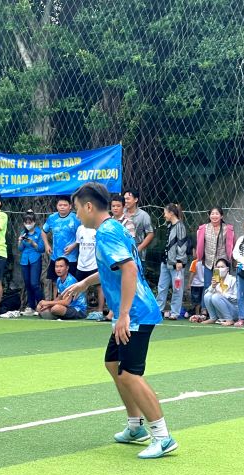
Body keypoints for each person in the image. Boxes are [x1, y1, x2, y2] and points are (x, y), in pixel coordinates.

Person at [64, 182, 176, 459]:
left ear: (89, 207)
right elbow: (112, 268)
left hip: (136, 314)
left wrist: (123, 314)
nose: (77, 214)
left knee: (130, 374)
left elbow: (128, 270)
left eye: (78, 209)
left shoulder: (107, 233)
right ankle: (135, 427)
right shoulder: (112, 228)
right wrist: (84, 284)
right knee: (113, 364)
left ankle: (162, 437)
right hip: (131, 312)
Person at [155, 203, 189, 320]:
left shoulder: (180, 226)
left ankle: (175, 312)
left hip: (176, 263)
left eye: (165, 212)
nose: (164, 215)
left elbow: (182, 244)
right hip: (166, 261)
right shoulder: (170, 226)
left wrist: (180, 260)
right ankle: (158, 310)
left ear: (171, 213)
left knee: (177, 288)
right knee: (162, 287)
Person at [42, 196, 80, 299]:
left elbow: (83, 234)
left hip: (71, 258)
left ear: (70, 206)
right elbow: (43, 232)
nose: (62, 207)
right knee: (56, 282)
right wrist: (46, 245)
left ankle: (70, 304)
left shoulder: (76, 218)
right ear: (57, 206)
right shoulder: (52, 218)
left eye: (65, 205)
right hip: (56, 257)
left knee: (71, 282)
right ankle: (55, 303)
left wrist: (74, 245)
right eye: (60, 205)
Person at [194, 206, 235, 298]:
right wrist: (200, 257)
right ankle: (205, 309)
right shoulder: (203, 228)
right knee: (208, 284)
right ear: (209, 216)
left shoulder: (227, 229)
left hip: (222, 263)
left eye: (217, 214)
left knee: (222, 284)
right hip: (209, 262)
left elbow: (232, 244)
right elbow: (200, 244)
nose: (214, 216)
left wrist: (232, 259)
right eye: (212, 214)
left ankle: (221, 306)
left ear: (221, 216)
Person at [73, 221, 106, 321]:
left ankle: (100, 311)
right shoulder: (80, 229)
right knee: (80, 287)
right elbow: (78, 245)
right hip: (81, 265)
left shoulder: (98, 228)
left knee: (99, 287)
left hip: (95, 264)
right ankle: (81, 310)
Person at [18, 210, 45, 316]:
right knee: (28, 284)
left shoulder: (39, 232)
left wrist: (33, 243)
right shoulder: (23, 232)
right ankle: (31, 306)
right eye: (26, 222)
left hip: (35, 258)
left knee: (35, 284)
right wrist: (20, 241)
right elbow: (20, 248)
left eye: (30, 222)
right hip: (24, 260)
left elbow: (41, 249)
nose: (28, 224)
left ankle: (42, 304)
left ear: (34, 222)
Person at [196, 258, 238, 325]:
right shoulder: (216, 280)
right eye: (218, 267)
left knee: (216, 296)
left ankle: (229, 319)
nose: (220, 269)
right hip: (220, 311)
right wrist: (212, 286)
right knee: (208, 295)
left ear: (227, 269)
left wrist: (223, 295)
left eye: (222, 267)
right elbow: (206, 294)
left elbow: (237, 298)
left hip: (234, 311)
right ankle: (213, 318)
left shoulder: (233, 280)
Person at [122, 189, 154, 260]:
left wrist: (138, 248)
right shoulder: (121, 213)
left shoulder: (143, 215)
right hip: (121, 253)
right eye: (124, 199)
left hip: (138, 256)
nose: (125, 201)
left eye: (128, 199)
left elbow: (150, 234)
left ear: (136, 199)